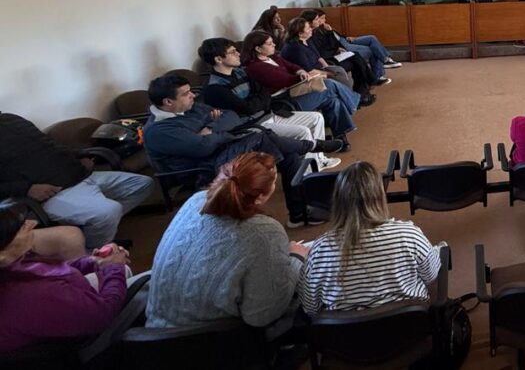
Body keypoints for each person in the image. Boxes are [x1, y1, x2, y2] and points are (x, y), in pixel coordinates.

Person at [145, 152, 308, 328]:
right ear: (261, 196)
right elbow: (262, 316)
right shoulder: (265, 232)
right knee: (311, 273)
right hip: (212, 343)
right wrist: (296, 259)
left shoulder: (194, 201)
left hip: (152, 330)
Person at [143, 74, 322, 227]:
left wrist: (209, 129)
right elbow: (203, 148)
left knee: (289, 157)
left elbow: (231, 116)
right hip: (201, 169)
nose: (193, 95)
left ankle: (298, 213)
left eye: (190, 91)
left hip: (221, 151)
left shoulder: (190, 108)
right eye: (186, 94)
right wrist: (213, 130)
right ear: (168, 102)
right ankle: (311, 146)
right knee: (259, 135)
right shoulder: (159, 130)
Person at [299, 162, 442, 314]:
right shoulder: (409, 235)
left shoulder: (320, 251)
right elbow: (432, 278)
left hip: (347, 336)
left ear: (338, 201)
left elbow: (310, 308)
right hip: (410, 330)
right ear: (380, 196)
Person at [0, 112, 152, 249]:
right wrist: (27, 189)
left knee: (143, 184)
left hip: (79, 174)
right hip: (52, 192)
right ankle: (91, 254)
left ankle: (91, 230)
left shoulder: (12, 119)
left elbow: (50, 147)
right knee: (108, 212)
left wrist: (79, 154)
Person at [0, 205, 133, 353]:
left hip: (74, 303)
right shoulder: (26, 295)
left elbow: (51, 270)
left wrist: (93, 262)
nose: (32, 223)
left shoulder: (11, 265)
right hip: (85, 343)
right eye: (22, 226)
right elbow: (103, 314)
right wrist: (114, 267)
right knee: (148, 282)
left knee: (126, 273)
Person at [199, 37, 341, 151]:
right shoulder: (214, 87)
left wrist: (257, 101)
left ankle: (319, 160)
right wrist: (258, 100)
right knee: (303, 131)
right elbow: (246, 108)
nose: (238, 54)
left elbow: (264, 92)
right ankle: (309, 169)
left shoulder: (241, 72)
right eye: (232, 52)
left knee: (316, 117)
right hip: (252, 125)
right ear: (218, 59)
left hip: (268, 114)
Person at [241, 30, 365, 138]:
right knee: (329, 85)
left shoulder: (272, 57)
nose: (274, 44)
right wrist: (307, 76)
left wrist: (301, 71)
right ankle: (354, 101)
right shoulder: (256, 67)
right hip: (282, 101)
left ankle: (341, 138)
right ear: (258, 49)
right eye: (269, 43)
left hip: (293, 91)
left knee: (332, 99)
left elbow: (292, 66)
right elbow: (283, 80)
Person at [302, 8, 400, 84]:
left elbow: (337, 37)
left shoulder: (322, 27)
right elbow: (329, 46)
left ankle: (386, 59)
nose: (323, 20)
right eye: (320, 18)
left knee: (371, 38)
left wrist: (346, 37)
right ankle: (379, 73)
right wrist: (331, 33)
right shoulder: (318, 31)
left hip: (345, 40)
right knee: (372, 50)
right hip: (342, 46)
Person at [281, 16, 359, 93]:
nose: (311, 29)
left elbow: (319, 57)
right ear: (300, 33)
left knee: (345, 68)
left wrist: (328, 68)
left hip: (319, 69)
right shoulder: (295, 48)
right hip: (310, 76)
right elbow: (309, 70)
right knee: (339, 78)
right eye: (308, 28)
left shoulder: (307, 40)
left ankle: (354, 95)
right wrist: (330, 73)